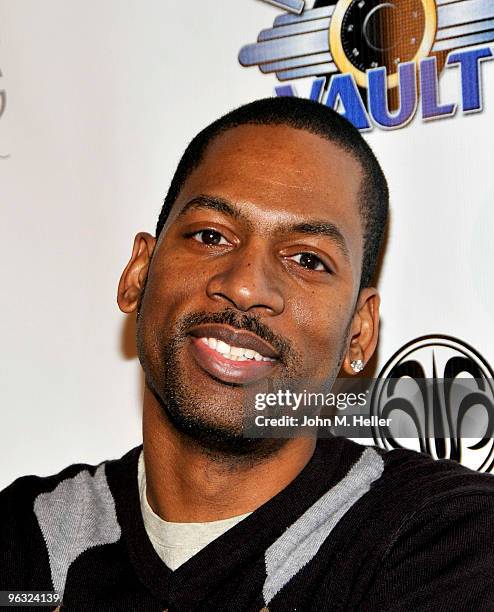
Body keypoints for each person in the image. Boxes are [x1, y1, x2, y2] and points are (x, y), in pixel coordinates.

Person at [1, 97, 493, 612]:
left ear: (359, 334)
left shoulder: (447, 539)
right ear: (138, 275)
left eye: (307, 260)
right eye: (211, 235)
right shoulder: (23, 538)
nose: (244, 286)